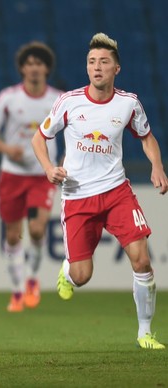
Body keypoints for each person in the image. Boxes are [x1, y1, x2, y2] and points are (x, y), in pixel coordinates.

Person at [32, 32, 168, 349]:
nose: (97, 67)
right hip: (78, 195)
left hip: (116, 191)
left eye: (104, 62)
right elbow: (40, 138)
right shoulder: (69, 102)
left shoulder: (128, 103)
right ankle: (68, 269)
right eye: (92, 62)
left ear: (116, 68)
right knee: (82, 275)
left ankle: (145, 332)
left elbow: (146, 136)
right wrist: (49, 169)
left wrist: (157, 166)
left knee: (142, 260)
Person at [0, 42, 62, 312]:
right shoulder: (9, 98)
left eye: (40, 63)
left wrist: (63, 161)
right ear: (23, 68)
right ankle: (16, 291)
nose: (35, 68)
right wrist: (6, 149)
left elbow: (76, 133)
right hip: (13, 175)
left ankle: (32, 280)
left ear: (47, 68)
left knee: (37, 230)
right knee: (13, 235)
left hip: (42, 174)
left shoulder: (59, 100)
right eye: (30, 63)